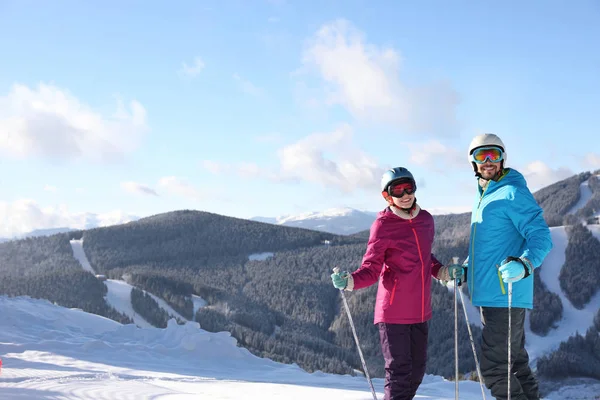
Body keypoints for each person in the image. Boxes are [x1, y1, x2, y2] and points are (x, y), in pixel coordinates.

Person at [330, 167, 461, 400]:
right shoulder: (383, 224)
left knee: (417, 373)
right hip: (393, 312)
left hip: (421, 311)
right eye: (397, 190)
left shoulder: (425, 220)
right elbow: (371, 268)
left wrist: (443, 271)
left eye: (408, 187)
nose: (405, 194)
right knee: (399, 373)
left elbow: (425, 258)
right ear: (387, 196)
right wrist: (349, 280)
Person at [460, 133, 553, 400]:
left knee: (495, 370)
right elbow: (491, 246)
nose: (488, 161)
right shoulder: (485, 195)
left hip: (505, 294)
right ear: (473, 162)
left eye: (494, 154)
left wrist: (525, 264)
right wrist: (466, 269)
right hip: (495, 293)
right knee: (515, 364)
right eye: (481, 155)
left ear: (503, 158)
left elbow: (541, 236)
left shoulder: (512, 192)